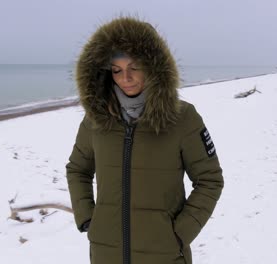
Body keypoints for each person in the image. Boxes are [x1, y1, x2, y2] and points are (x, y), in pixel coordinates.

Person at [66, 17, 224, 264]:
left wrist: (179, 233)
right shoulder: (95, 120)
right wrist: (88, 218)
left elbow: (210, 180)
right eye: (117, 70)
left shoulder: (183, 118)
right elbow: (78, 170)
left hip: (164, 255)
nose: (125, 78)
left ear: (153, 65)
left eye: (134, 67)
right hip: (106, 254)